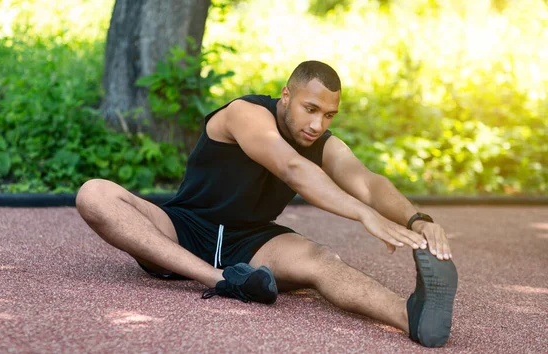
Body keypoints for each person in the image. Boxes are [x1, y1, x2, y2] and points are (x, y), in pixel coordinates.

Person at [76, 60, 458, 348]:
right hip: (184, 227)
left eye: (328, 115)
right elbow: (290, 168)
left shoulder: (320, 143)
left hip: (253, 242)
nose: (318, 125)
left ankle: (412, 316)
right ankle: (222, 280)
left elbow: (368, 182)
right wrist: (362, 214)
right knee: (94, 193)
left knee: (321, 260)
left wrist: (417, 219)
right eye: (310, 109)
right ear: (286, 96)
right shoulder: (246, 113)